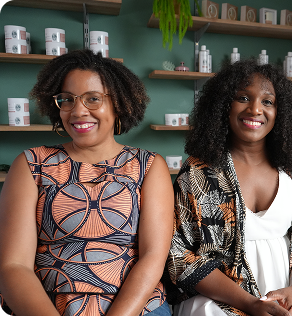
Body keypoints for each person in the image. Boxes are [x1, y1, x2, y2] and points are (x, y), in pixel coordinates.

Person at [165, 59, 292, 316]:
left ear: (280, 112)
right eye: (243, 97)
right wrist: (250, 304)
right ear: (223, 106)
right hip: (222, 299)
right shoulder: (198, 172)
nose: (255, 109)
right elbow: (179, 256)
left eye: (267, 101)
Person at [0, 49, 174, 316]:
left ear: (119, 103)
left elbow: (153, 258)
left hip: (135, 307)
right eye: (67, 100)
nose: (78, 111)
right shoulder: (30, 164)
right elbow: (14, 265)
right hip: (45, 305)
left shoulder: (149, 166)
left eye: (93, 99)